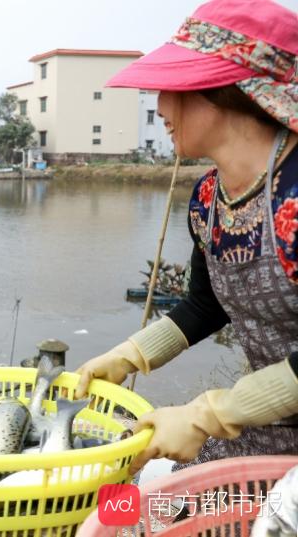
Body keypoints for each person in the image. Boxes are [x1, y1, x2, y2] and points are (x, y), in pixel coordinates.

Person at [74, 0, 298, 475]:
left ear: (228, 91)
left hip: (250, 419)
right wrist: (128, 355)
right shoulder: (208, 197)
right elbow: (205, 305)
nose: (159, 107)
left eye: (173, 88)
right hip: (262, 423)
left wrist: (208, 415)